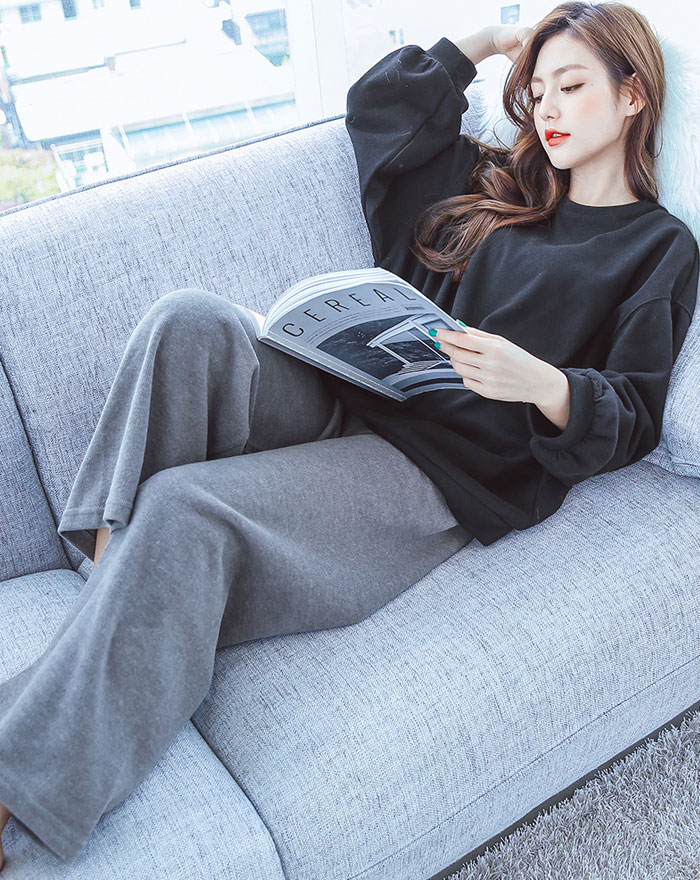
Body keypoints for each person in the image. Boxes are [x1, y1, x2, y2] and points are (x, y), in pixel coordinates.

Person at [0, 0, 697, 868]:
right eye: (537, 89)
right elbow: (383, 106)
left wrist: (545, 384)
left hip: (434, 475)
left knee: (185, 508)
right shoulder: (502, 186)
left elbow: (633, 411)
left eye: (572, 86)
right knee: (189, 324)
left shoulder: (657, 247)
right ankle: (119, 593)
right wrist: (490, 42)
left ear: (632, 95)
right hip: (364, 392)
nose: (547, 109)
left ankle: (22, 790)